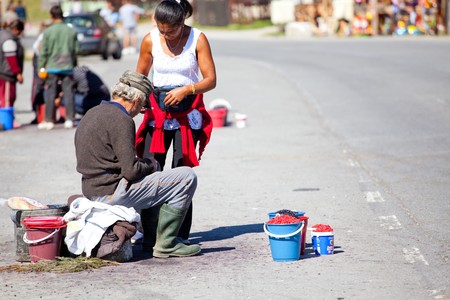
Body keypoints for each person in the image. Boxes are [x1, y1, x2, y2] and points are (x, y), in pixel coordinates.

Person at [74, 69, 201, 258]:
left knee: (153, 178)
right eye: (142, 105)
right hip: (111, 192)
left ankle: (151, 240)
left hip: (92, 189)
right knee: (186, 177)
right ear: (134, 100)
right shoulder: (122, 119)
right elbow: (131, 171)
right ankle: (166, 243)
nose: (141, 111)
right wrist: (151, 164)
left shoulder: (92, 112)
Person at [134, 0, 216, 249]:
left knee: (182, 174)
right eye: (161, 30)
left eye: (171, 30)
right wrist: (138, 99)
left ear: (182, 23)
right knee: (151, 171)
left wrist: (186, 89)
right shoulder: (149, 40)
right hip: (157, 116)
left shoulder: (198, 39)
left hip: (186, 114)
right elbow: (140, 76)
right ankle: (150, 236)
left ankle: (177, 236)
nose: (166, 36)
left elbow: (211, 79)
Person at [38, 5, 79, 130]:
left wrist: (41, 66)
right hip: (67, 65)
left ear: (51, 16)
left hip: (52, 66)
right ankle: (70, 119)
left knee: (50, 93)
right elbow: (76, 50)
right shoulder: (71, 31)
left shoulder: (48, 31)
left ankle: (49, 120)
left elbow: (44, 51)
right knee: (68, 93)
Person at [0, 19, 24, 128]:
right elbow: (11, 58)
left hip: (2, 72)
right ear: (15, 30)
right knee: (7, 98)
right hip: (6, 73)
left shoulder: (2, 34)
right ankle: (6, 121)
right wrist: (17, 73)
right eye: (20, 32)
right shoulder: (9, 39)